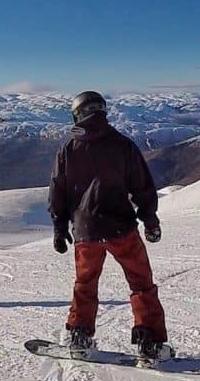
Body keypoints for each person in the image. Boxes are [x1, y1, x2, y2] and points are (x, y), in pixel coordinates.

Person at [48, 91, 173, 364]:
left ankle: (79, 337)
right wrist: (150, 222)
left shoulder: (68, 148)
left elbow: (58, 190)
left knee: (85, 284)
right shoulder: (123, 145)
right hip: (121, 228)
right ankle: (150, 343)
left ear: (77, 115)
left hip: (85, 232)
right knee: (141, 284)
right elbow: (142, 187)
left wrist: (59, 226)